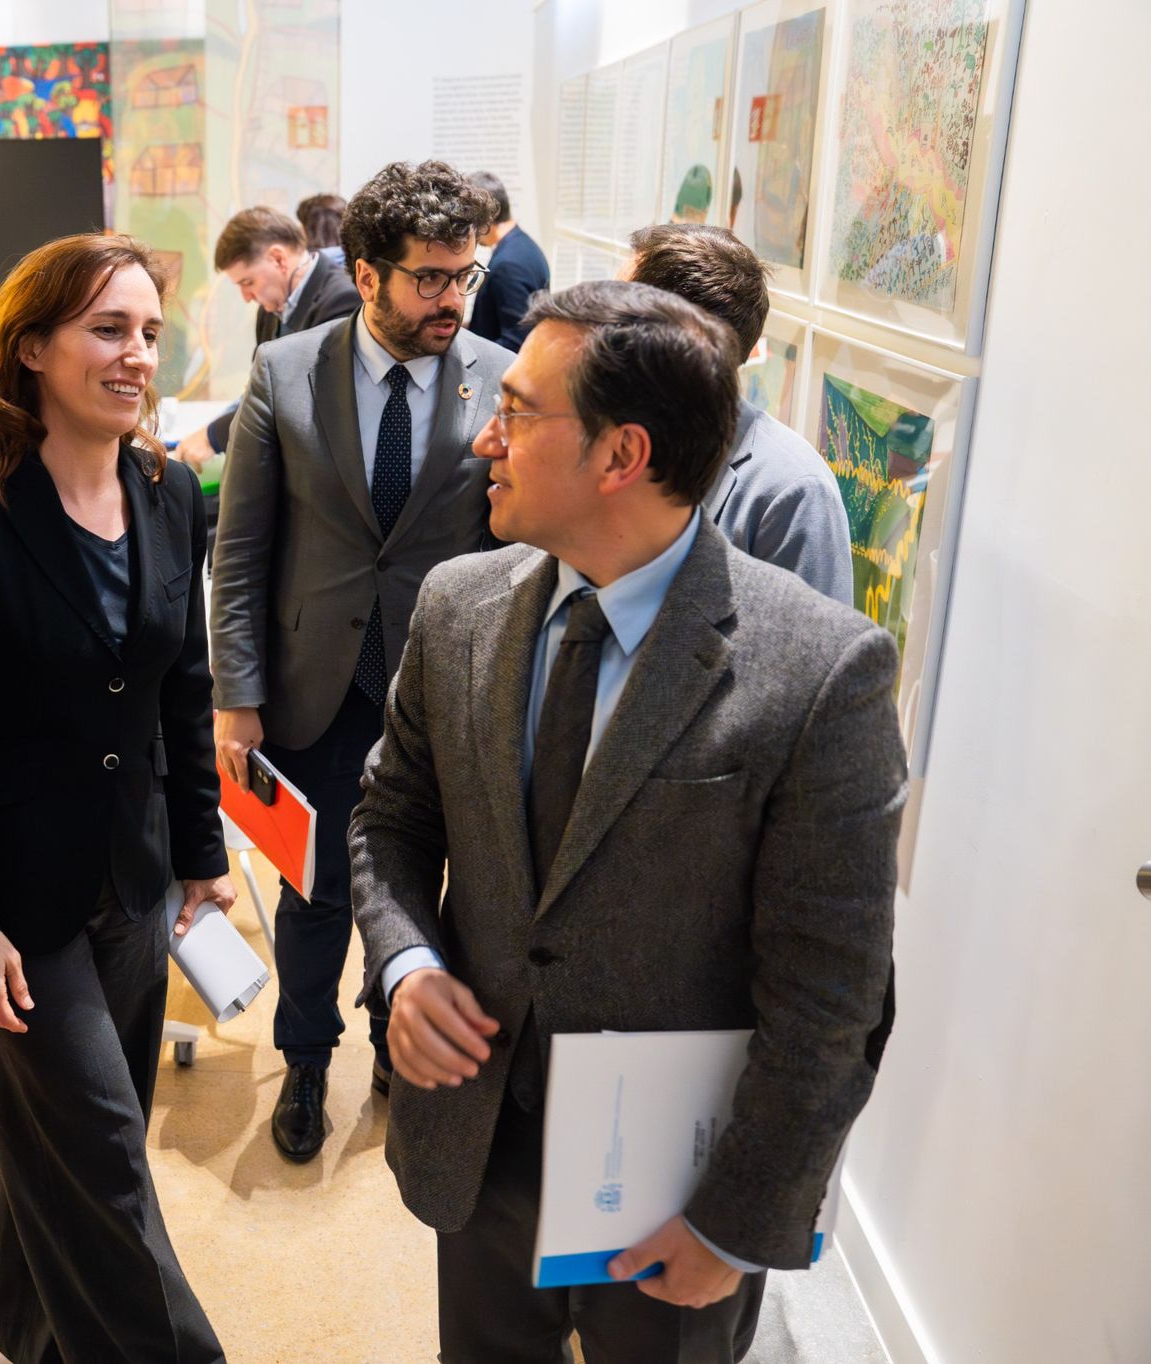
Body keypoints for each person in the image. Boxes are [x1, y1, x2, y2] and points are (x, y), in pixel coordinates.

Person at [351, 280, 903, 1362]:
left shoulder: (817, 671)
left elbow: (833, 996)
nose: (483, 439)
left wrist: (738, 1220)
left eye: (516, 412)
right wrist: (407, 964)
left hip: (677, 1187)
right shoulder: (457, 606)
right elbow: (390, 817)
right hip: (478, 1133)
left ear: (621, 455)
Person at [0, 233, 231, 1364]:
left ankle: (14, 1328)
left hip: (131, 878)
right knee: (107, 1163)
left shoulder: (167, 492)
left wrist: (201, 848)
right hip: (15, 902)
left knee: (71, 1146)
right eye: (106, 329)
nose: (137, 354)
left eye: (148, 332)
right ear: (31, 348)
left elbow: (183, 688)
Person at [211, 159, 510, 1164]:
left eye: (463, 276)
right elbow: (241, 549)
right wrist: (236, 694)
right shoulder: (285, 370)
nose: (451, 299)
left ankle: (392, 1042)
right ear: (368, 273)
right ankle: (304, 1057)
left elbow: (515, 552)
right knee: (315, 890)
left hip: (442, 689)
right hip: (315, 686)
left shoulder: (500, 375)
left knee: (422, 880)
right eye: (429, 278)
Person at [625, 222, 851, 604]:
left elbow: (817, 638)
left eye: (616, 311)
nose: (594, 328)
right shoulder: (612, 437)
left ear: (674, 340)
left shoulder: (794, 491)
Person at [173, 206, 361, 472]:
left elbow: (301, 400)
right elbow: (260, 388)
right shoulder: (271, 308)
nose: (246, 297)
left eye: (247, 282)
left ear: (278, 259)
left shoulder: (342, 301)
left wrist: (214, 436)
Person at [465, 174, 550, 353]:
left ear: (485, 215)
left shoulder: (508, 265)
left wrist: (467, 351)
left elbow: (516, 343)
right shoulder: (523, 246)